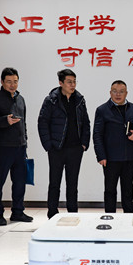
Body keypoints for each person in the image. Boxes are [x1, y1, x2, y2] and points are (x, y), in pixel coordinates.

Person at [38, 69, 91, 219]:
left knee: (72, 184)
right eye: (69, 82)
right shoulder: (51, 100)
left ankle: (72, 213)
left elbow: (86, 123)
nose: (72, 85)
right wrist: (48, 145)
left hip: (75, 149)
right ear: (61, 83)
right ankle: (52, 213)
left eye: (74, 82)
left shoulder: (79, 100)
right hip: (57, 148)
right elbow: (42, 122)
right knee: (54, 182)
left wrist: (84, 144)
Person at [0, 68, 32, 225]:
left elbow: (24, 123)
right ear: (2, 82)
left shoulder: (21, 99)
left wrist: (25, 141)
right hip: (3, 147)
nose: (12, 85)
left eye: (15, 81)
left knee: (20, 182)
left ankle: (18, 212)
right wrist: (4, 121)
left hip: (20, 147)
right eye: (9, 82)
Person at [93, 80, 133, 213]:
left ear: (126, 93)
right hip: (110, 158)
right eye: (115, 91)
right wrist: (101, 155)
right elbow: (97, 135)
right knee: (110, 190)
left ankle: (129, 216)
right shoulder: (102, 110)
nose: (118, 94)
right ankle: (110, 217)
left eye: (121, 91)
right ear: (110, 92)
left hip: (129, 157)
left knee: (128, 190)